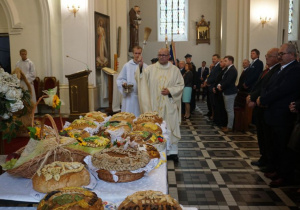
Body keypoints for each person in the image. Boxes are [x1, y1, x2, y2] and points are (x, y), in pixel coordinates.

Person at [258, 43, 300, 187]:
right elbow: (269, 87)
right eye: (279, 54)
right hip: (273, 113)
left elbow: (282, 90)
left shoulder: (295, 69)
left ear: (292, 55)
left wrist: (263, 99)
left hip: (283, 114)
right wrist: (263, 98)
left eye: (283, 54)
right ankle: (277, 169)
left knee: (283, 147)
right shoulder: (280, 69)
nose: (280, 56)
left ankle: (285, 175)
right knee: (275, 145)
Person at [135, 48, 184, 162]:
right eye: (160, 55)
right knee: (154, 128)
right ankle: (155, 149)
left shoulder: (175, 70)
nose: (161, 57)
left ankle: (172, 152)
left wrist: (170, 90)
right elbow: (140, 78)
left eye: (164, 55)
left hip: (169, 105)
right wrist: (141, 67)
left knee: (170, 127)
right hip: (154, 106)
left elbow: (180, 85)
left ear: (168, 57)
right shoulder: (150, 69)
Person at [247, 48, 280, 170]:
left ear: (277, 57)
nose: (266, 58)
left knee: (268, 137)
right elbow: (258, 85)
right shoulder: (266, 71)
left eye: (269, 56)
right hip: (260, 106)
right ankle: (263, 157)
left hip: (266, 107)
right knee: (261, 135)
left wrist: (254, 98)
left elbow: (267, 89)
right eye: (266, 55)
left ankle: (269, 161)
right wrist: (251, 95)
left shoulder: (276, 71)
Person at [117, 46, 147, 117]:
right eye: (136, 53)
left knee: (139, 116)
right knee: (128, 116)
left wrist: (141, 66)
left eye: (139, 53)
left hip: (140, 96)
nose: (137, 55)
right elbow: (120, 78)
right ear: (133, 54)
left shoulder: (145, 66)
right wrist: (124, 83)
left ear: (141, 54)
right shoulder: (127, 66)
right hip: (129, 96)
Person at [217, 55, 238, 133]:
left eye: (226, 61)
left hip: (230, 92)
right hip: (227, 92)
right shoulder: (228, 69)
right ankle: (228, 125)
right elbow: (223, 79)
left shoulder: (232, 70)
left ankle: (230, 127)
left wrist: (221, 87)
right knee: (228, 110)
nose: (224, 62)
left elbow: (228, 81)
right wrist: (219, 85)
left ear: (230, 61)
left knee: (229, 110)